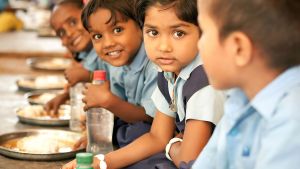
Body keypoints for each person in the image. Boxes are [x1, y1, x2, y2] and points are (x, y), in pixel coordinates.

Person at [63, 0, 223, 168]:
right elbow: (157, 137)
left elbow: (187, 160)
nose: (163, 47)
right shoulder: (168, 70)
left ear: (204, 31)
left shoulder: (204, 81)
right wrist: (102, 163)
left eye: (178, 33)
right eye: (153, 32)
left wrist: (171, 144)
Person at [193, 0, 300, 169]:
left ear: (239, 48)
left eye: (204, 32)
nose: (199, 45)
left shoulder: (292, 120)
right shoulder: (240, 98)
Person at [62, 0, 158, 168]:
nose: (107, 43)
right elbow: (119, 110)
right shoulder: (116, 63)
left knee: (137, 132)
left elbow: (150, 117)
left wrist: (108, 101)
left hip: (157, 131)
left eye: (117, 30)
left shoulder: (155, 64)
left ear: (140, 25)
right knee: (123, 128)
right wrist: (95, 136)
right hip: (133, 127)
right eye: (98, 36)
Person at [45, 0, 105, 115]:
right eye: (61, 32)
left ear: (88, 13)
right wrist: (65, 96)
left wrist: (88, 76)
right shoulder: (85, 55)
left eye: (73, 22)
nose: (69, 33)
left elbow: (115, 81)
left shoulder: (108, 48)